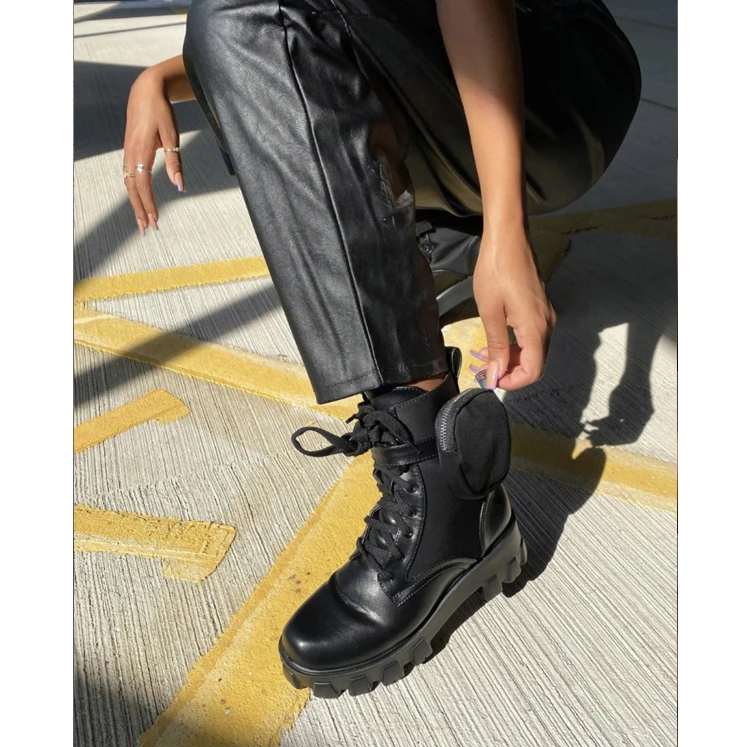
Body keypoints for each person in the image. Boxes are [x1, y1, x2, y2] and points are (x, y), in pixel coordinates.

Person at [123, 0, 640, 697]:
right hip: (450, 87)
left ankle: (443, 480)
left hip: (557, 79)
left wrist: (507, 232)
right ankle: (441, 242)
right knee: (229, 51)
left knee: (235, 27)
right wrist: (162, 75)